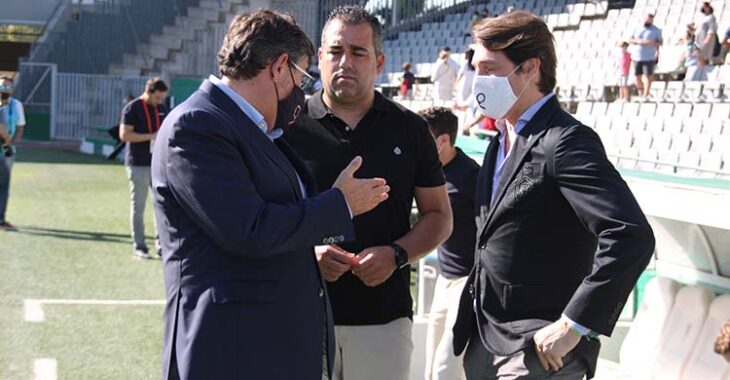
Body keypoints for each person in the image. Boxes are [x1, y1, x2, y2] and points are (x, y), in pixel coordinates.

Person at [150, 10, 390, 380]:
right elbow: (249, 229)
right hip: (231, 351)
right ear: (279, 68)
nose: (302, 89)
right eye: (301, 75)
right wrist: (340, 202)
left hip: (268, 348)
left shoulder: (251, 128)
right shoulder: (197, 125)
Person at [452, 11, 655, 380]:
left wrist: (572, 326)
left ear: (529, 68)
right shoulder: (499, 140)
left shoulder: (566, 142)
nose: (478, 81)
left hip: (539, 353)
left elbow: (631, 235)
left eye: (489, 69)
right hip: (485, 340)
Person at [283, 6, 453, 380]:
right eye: (336, 51)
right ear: (319, 58)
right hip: (299, 315)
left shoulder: (410, 130)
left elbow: (440, 217)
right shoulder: (287, 128)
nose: (346, 62)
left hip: (383, 321)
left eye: (358, 53)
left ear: (379, 60)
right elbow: (265, 217)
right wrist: (309, 253)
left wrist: (397, 254)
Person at [419, 107, 479, 380]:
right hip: (444, 279)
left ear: (443, 140)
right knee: (431, 367)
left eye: (424, 136)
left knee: (447, 367)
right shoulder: (426, 172)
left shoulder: (473, 177)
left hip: (468, 283)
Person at [119, 77, 168, 259]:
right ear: (148, 91)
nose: (159, 101)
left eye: (161, 98)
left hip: (158, 164)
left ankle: (162, 246)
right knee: (138, 206)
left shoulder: (161, 108)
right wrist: (151, 136)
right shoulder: (132, 108)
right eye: (157, 97)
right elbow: (124, 135)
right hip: (138, 163)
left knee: (161, 206)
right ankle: (139, 247)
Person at [0, 76, 26, 229]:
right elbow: (1, 128)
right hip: (5, 146)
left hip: (7, 150)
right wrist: (8, 139)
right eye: (2, 86)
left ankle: (1, 218)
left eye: (7, 87)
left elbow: (21, 125)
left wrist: (14, 141)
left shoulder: (16, 105)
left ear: (13, 89)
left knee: (4, 184)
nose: (4, 89)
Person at [629, 14, 663, 99]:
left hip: (649, 57)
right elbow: (629, 39)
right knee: (637, 76)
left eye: (649, 20)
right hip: (637, 56)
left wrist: (651, 43)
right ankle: (641, 90)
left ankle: (646, 94)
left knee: (648, 75)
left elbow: (660, 42)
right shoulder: (637, 28)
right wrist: (639, 41)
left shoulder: (656, 30)